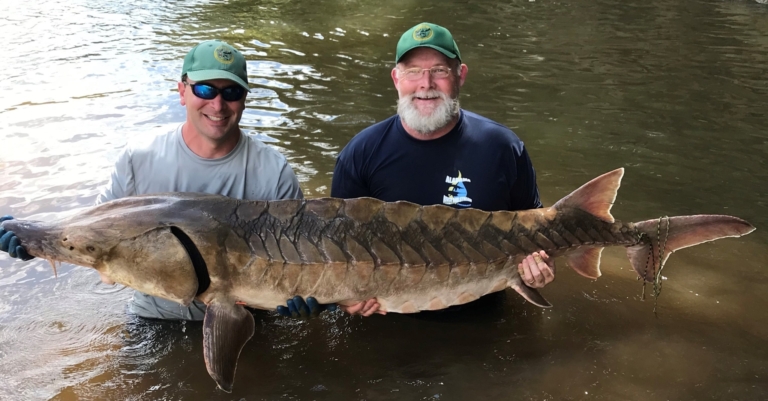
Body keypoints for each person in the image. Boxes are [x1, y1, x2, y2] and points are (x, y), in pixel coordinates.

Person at [0, 40, 329, 320]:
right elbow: (94, 236)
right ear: (182, 91)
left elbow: (303, 255)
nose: (218, 104)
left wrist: (312, 301)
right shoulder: (140, 156)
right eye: (205, 89)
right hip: (153, 316)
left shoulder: (274, 171)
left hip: (246, 318)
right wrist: (36, 243)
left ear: (244, 99)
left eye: (231, 92)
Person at [330, 23, 556, 316]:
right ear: (396, 78)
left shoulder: (503, 148)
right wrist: (345, 301)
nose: (426, 83)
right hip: (390, 322)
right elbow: (338, 255)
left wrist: (541, 265)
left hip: (485, 319)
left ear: (460, 75)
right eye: (413, 71)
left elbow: (536, 234)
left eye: (439, 70)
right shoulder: (360, 154)